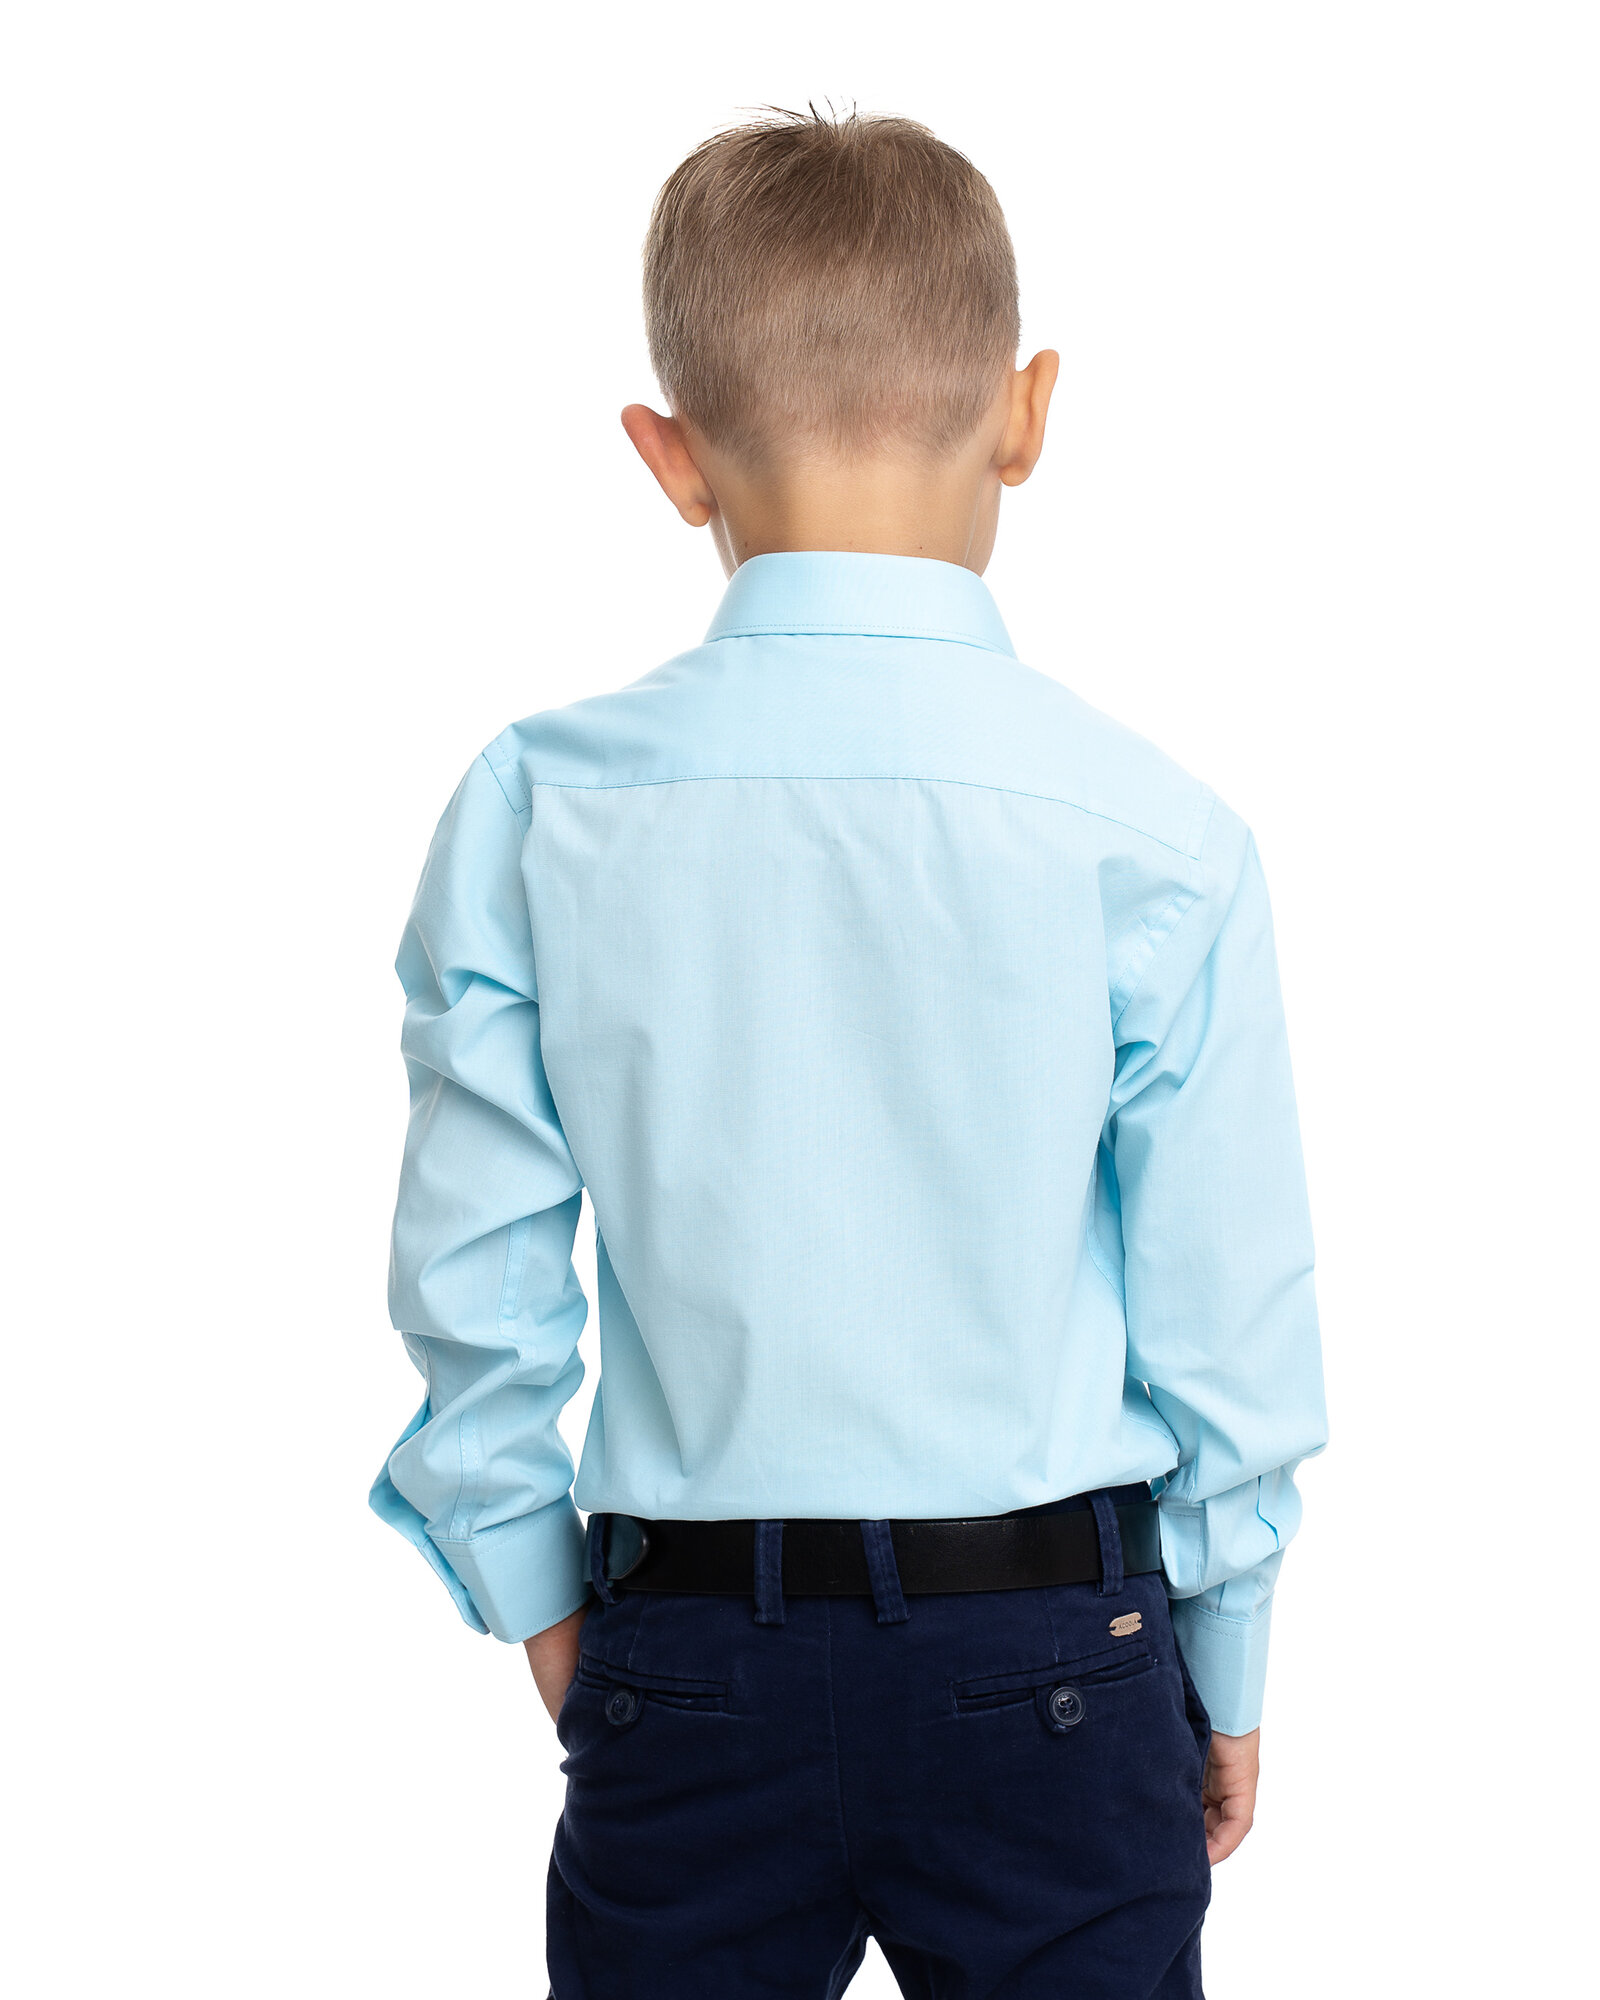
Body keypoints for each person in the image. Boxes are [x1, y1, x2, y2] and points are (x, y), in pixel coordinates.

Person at [371, 108, 1326, 1999]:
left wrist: (544, 1602)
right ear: (1028, 414)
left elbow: (473, 1272)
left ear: (668, 457)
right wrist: (1227, 1653)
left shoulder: (541, 804)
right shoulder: (1156, 836)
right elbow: (1227, 1320)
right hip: (1056, 1656)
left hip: (685, 1650)